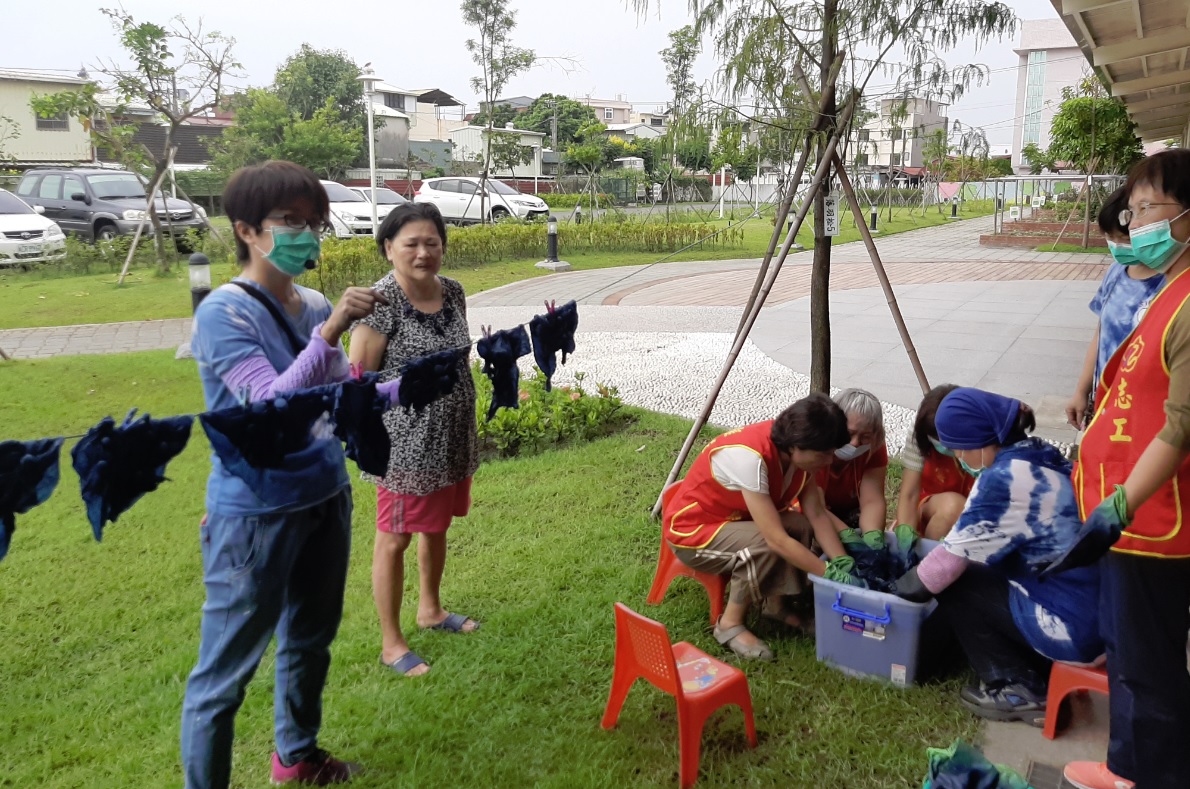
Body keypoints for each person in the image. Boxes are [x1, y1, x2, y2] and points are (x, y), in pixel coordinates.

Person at [182, 161, 390, 787]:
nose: (308, 235)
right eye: (290, 223)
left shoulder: (317, 302)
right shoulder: (224, 315)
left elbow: (338, 397)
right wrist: (331, 332)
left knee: (309, 641)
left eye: (314, 223)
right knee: (223, 677)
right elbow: (271, 404)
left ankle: (296, 758)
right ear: (247, 230)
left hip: (325, 495)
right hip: (255, 512)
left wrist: (414, 385)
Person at [1063, 149, 1190, 789]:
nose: (1136, 223)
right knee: (1130, 652)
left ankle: (1154, 774)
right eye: (1132, 210)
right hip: (1132, 514)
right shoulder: (1165, 291)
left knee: (1150, 663)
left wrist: (1123, 504)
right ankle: (1126, 768)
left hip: (1154, 517)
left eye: (1149, 209)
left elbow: (1182, 423)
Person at [893, 388, 1103, 725]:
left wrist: (886, 592)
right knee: (977, 566)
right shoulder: (1039, 454)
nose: (959, 456)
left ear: (979, 441)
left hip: (1072, 627)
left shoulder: (1002, 481)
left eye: (959, 447)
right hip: (1098, 611)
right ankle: (1034, 665)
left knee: (955, 584)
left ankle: (1018, 687)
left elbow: (934, 575)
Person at [349, 203, 480, 679]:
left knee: (437, 525)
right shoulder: (378, 304)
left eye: (432, 242)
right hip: (403, 447)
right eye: (411, 243)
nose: (423, 252)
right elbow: (357, 381)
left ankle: (431, 610)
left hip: (451, 439)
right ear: (388, 248)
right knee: (394, 539)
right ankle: (391, 642)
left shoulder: (454, 292)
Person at [663, 394, 854, 661]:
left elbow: (817, 515)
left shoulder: (800, 455)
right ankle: (729, 624)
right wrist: (828, 573)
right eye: (824, 454)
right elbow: (775, 539)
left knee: (800, 524)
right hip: (693, 533)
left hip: (734, 521)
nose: (829, 461)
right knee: (768, 544)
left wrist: (843, 562)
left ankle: (775, 605)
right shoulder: (750, 458)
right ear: (797, 446)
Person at [1065, 186, 1164, 432]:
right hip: (1107, 400)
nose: (1117, 246)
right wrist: (1082, 391)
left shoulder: (1171, 283)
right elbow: (1101, 335)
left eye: (1124, 239)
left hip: (1147, 410)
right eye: (1111, 239)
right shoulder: (1116, 272)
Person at [895, 384, 974, 540]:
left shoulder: (987, 440)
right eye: (937, 441)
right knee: (953, 507)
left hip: (979, 509)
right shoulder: (921, 429)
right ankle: (929, 555)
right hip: (935, 506)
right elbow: (909, 495)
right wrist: (904, 533)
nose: (945, 448)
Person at [816, 388, 889, 548]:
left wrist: (873, 537)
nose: (855, 443)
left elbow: (872, 500)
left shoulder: (874, 447)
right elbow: (813, 508)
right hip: (813, 512)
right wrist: (845, 534)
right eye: (849, 433)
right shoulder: (814, 449)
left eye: (865, 436)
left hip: (851, 514)